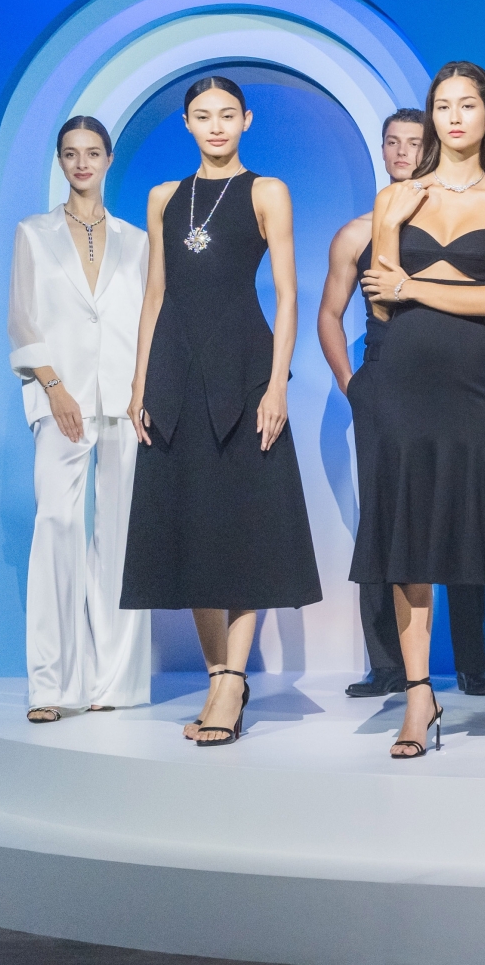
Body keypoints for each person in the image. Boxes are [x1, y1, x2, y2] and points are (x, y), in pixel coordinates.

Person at [352, 61, 485, 759]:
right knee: (409, 550)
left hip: (474, 387)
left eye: (467, 105)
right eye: (443, 106)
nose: (454, 117)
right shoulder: (397, 197)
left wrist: (415, 284)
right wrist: (391, 227)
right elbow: (381, 300)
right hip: (402, 381)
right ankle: (419, 700)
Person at [121, 76, 322, 747]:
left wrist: (278, 385)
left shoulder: (267, 192)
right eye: (203, 116)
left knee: (243, 525)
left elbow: (288, 294)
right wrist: (139, 384)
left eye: (227, 115)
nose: (215, 126)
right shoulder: (163, 197)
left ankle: (233, 681)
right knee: (193, 527)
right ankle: (218, 678)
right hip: (175, 370)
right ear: (186, 123)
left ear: (246, 120)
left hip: (243, 367)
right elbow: (155, 295)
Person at [319, 108, 485, 700]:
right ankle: (388, 666)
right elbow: (329, 314)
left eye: (413, 143)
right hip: (384, 391)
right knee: (384, 521)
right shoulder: (355, 233)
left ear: (431, 148)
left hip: (456, 386)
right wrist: (351, 384)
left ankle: (473, 664)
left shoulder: (455, 221)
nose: (402, 152)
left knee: (463, 513)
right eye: (392, 142)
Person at [9, 116, 152, 723]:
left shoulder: (137, 241)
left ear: (109, 159)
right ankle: (50, 686)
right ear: (60, 161)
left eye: (93, 152)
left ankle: (113, 681)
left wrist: (140, 392)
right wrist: (54, 388)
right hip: (59, 399)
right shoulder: (34, 233)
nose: (82, 163)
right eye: (71, 153)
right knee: (56, 526)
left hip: (123, 401)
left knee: (120, 537)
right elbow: (22, 318)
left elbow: (148, 321)